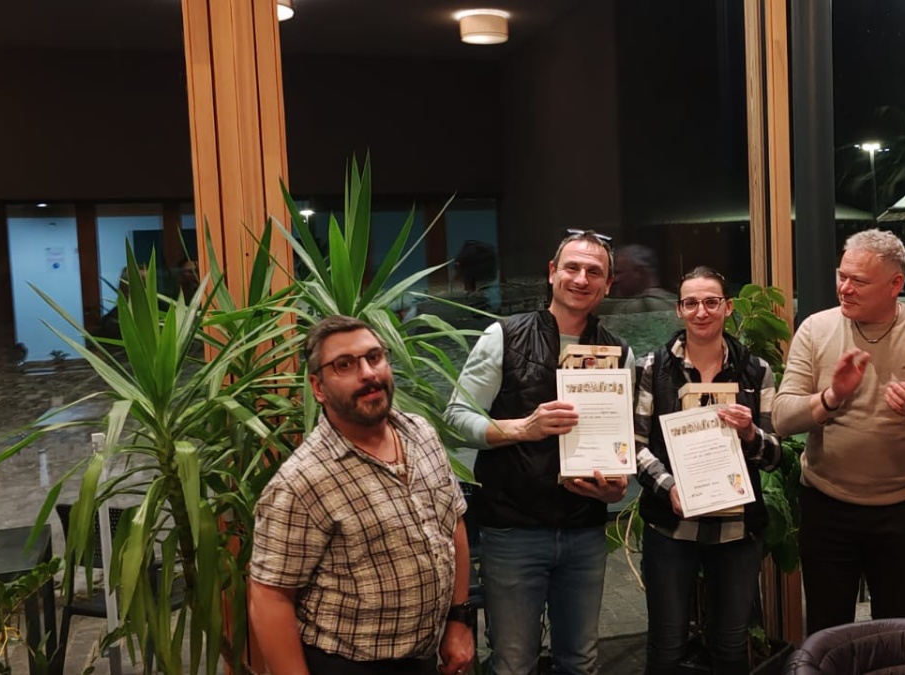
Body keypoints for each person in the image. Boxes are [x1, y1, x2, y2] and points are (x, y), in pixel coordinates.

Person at [444, 229, 633, 675]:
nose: (581, 279)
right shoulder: (503, 336)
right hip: (513, 529)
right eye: (572, 268)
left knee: (581, 661)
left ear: (608, 285)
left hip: (585, 530)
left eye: (594, 272)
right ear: (552, 273)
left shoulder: (617, 353)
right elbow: (454, 418)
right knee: (513, 663)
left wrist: (616, 487)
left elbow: (618, 441)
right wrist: (522, 428)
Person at [773, 229, 905, 633]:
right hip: (827, 504)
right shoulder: (815, 329)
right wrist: (831, 397)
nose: (844, 288)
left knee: (896, 633)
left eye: (859, 281)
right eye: (841, 275)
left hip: (902, 508)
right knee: (828, 631)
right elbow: (781, 418)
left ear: (895, 284)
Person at [249, 315, 475, 675]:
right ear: (318, 387)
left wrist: (458, 619)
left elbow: (453, 523)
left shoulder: (421, 434)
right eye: (344, 365)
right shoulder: (301, 481)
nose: (368, 373)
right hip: (346, 663)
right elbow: (270, 596)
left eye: (374, 357)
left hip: (421, 657)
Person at [632, 266, 782, 675]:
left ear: (728, 308)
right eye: (692, 303)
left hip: (736, 532)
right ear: (679, 310)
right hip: (671, 528)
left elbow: (773, 456)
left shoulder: (757, 371)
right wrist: (669, 488)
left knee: (731, 646)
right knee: (666, 646)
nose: (702, 311)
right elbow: (636, 445)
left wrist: (750, 433)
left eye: (711, 302)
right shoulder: (652, 368)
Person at [602, 244, 677, 314]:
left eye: (618, 273)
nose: (615, 280)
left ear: (639, 272)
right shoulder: (676, 301)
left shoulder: (632, 308)